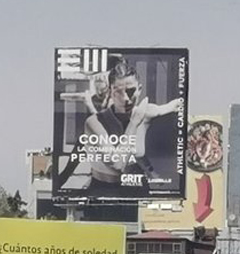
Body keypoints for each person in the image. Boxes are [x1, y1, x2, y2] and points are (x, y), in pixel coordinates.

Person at [57, 54, 185, 197]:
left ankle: (151, 172)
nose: (126, 99)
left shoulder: (145, 112)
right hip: (103, 192)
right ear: (111, 91)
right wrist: (134, 123)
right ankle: (55, 192)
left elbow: (171, 106)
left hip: (137, 190)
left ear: (139, 89)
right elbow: (117, 163)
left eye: (130, 91)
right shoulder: (96, 120)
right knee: (76, 158)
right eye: (118, 92)